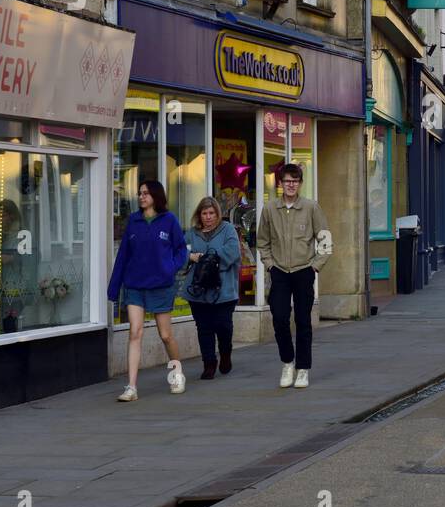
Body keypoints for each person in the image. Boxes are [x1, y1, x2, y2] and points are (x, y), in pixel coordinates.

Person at [107, 180, 188, 401]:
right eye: (140, 193)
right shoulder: (133, 221)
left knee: (165, 335)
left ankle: (177, 373)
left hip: (161, 285)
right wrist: (114, 288)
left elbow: (181, 250)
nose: (141, 197)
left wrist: (170, 268)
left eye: (146, 193)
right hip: (135, 285)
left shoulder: (169, 220)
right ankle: (131, 387)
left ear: (156, 196)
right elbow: (123, 256)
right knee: (135, 332)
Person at [255, 164, 331, 390]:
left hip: (303, 271)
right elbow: (262, 241)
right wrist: (269, 265)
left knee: (303, 320)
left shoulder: (311, 208)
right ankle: (287, 362)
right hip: (279, 271)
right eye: (287, 181)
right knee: (279, 318)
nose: (290, 185)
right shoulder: (269, 209)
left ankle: (303, 369)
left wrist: (314, 267)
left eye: (295, 181)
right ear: (280, 183)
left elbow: (325, 241)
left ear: (300, 184)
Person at [183, 196, 241, 380]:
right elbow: (180, 253)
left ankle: (225, 354)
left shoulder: (227, 230)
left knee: (223, 326)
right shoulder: (192, 233)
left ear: (217, 214)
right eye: (204, 213)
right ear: (199, 215)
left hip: (223, 290)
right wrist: (191, 257)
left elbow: (233, 251)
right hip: (198, 290)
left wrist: (209, 261)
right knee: (204, 328)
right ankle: (209, 363)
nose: (208, 217)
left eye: (211, 213)